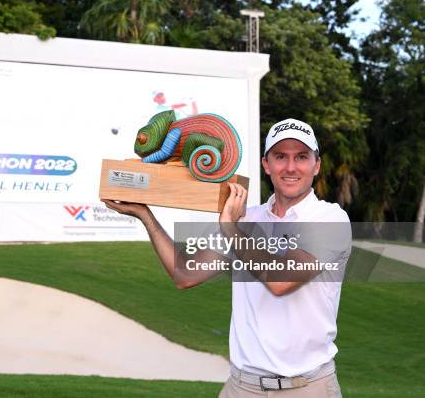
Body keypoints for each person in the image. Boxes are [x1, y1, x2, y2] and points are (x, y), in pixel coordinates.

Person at [103, 118, 350, 397]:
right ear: (266, 164)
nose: (291, 167)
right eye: (280, 156)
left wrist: (230, 227)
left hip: (307, 388)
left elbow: (280, 280)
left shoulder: (329, 218)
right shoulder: (246, 218)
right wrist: (146, 216)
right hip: (241, 386)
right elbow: (185, 274)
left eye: (301, 157)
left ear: (316, 165)